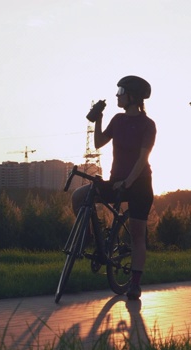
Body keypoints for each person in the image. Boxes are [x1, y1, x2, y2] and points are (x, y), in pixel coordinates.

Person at [72, 75, 156, 300]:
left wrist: (127, 182)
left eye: (121, 91)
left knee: (138, 236)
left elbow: (142, 159)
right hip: (116, 182)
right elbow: (99, 142)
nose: (117, 95)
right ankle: (91, 238)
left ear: (133, 96)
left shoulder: (148, 125)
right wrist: (99, 118)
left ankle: (134, 285)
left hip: (138, 185)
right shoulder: (117, 120)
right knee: (79, 197)